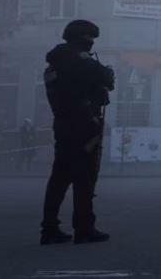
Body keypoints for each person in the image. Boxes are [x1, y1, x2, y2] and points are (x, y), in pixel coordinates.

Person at [40, 19, 114, 245]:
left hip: (62, 126)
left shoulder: (53, 66)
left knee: (59, 179)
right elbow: (106, 79)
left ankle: (49, 228)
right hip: (84, 126)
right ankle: (84, 228)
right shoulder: (81, 61)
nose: (92, 43)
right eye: (90, 38)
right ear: (80, 38)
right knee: (85, 179)